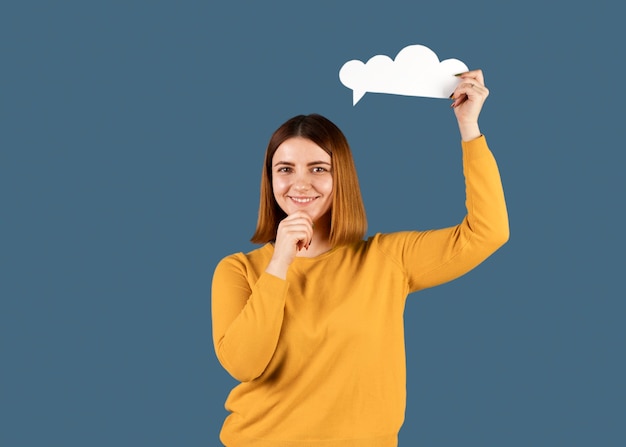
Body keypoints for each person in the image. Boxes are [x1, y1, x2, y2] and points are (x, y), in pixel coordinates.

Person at [211, 69, 509, 447]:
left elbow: (488, 232)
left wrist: (470, 127)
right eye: (284, 169)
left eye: (319, 169)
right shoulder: (239, 270)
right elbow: (243, 363)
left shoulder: (386, 260)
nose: (300, 184)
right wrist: (279, 264)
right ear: (270, 181)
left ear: (342, 178)